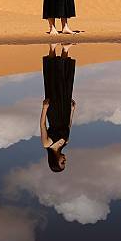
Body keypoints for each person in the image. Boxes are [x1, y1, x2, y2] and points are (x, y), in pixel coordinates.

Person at [40, 43, 76, 172]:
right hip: (65, 110)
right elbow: (68, 126)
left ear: (55, 161)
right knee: (65, 83)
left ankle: (52, 48)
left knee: (53, 82)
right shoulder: (66, 142)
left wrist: (44, 108)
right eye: (64, 163)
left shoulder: (47, 144)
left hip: (53, 111)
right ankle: (66, 49)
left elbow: (43, 125)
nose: (65, 160)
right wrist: (72, 111)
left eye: (62, 163)